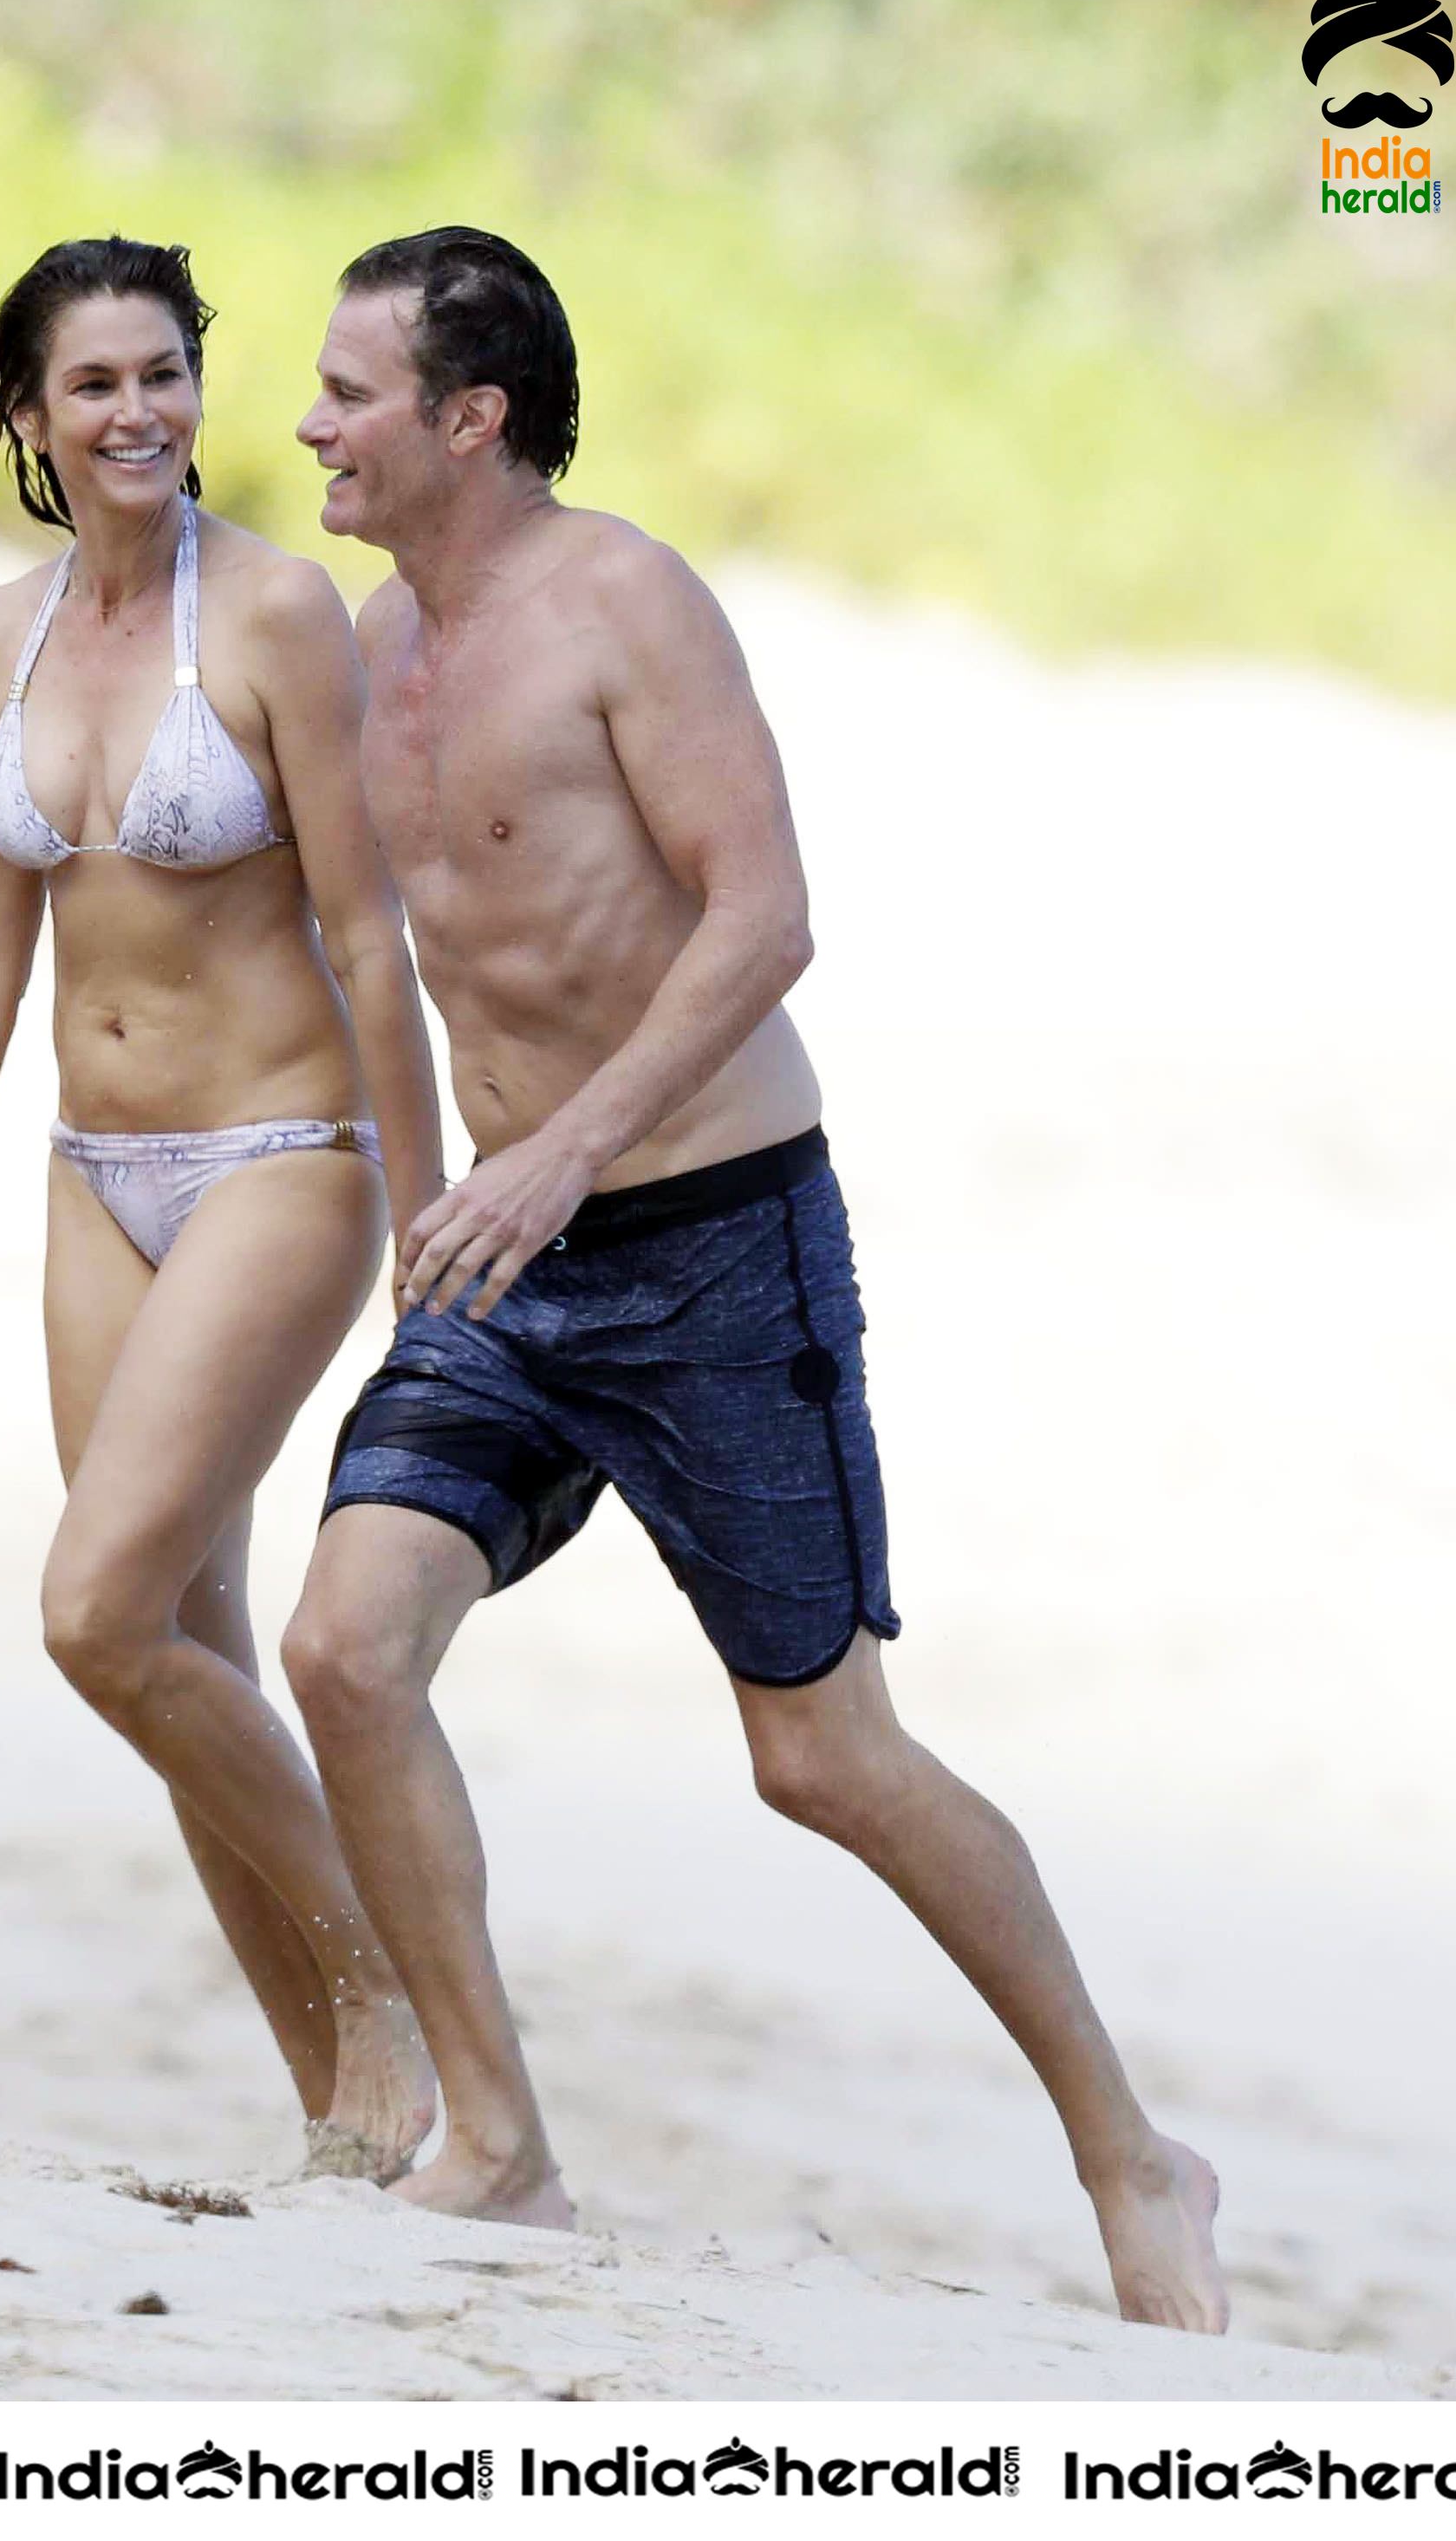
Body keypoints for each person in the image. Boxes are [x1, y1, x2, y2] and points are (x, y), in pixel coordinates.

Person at [281, 225, 1229, 2330]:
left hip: (710, 1241)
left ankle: (1133, 2156)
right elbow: (393, 954)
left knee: (823, 1759)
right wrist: (432, 1191)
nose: (312, 425)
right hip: (503, 1262)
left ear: (471, 415)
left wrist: (564, 1154)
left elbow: (764, 919)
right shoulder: (368, 640)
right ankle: (499, 2148)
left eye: (349, 391)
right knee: (347, 1647)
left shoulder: (624, 605)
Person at [0, 236, 441, 2177]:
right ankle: (341, 2103)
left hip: (282, 1156)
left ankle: (410, 1995)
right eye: (96, 383)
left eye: (166, 371)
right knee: (181, 1643)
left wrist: (438, 1232)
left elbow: (365, 927)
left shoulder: (272, 616)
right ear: (29, 417)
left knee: (93, 1614)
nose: (141, 411)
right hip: (96, 1176)